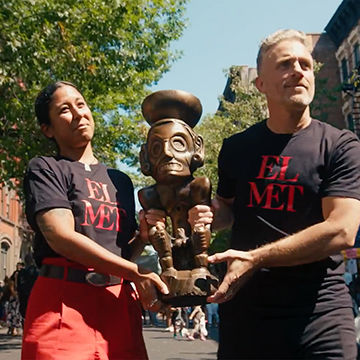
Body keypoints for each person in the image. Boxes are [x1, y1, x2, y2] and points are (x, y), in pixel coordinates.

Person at [189, 29, 360, 359]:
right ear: (261, 85)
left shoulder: (341, 145)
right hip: (247, 312)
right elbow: (228, 209)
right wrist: (209, 215)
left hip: (320, 311)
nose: (298, 70)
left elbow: (341, 229)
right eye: (285, 64)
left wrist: (255, 258)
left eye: (305, 64)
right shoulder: (236, 148)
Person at [22, 81, 169, 360]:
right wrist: (134, 272)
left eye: (81, 104)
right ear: (48, 129)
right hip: (62, 305)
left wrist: (142, 239)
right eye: (64, 109)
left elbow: (120, 252)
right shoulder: (46, 168)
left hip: (118, 307)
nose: (78, 114)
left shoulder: (120, 182)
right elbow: (61, 236)